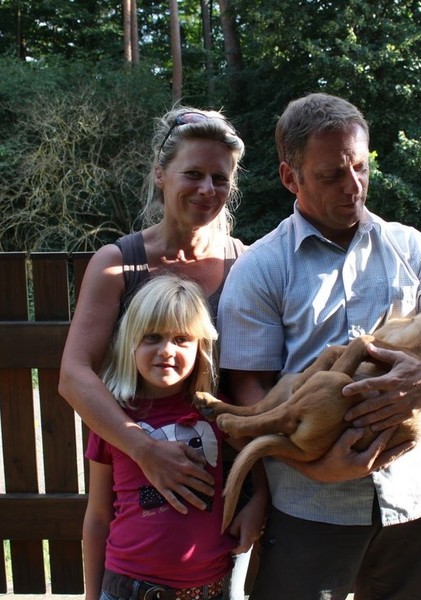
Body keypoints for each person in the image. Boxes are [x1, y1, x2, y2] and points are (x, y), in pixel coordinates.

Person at [218, 93, 421, 600]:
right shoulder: (261, 269)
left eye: (361, 167)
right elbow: (249, 393)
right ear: (290, 177)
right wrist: (315, 467)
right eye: (330, 175)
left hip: (412, 498)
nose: (353, 186)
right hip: (311, 506)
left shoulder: (410, 248)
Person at [58, 106, 258, 595]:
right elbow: (74, 375)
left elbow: (258, 387)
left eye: (220, 178)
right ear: (160, 174)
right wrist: (144, 449)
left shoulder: (248, 265)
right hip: (135, 481)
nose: (206, 189)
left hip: (225, 500)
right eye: (193, 173)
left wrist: (260, 494)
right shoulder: (117, 264)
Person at [83, 274, 267, 600]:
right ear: (130, 342)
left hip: (210, 589)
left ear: (201, 347)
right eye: (152, 337)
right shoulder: (112, 419)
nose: (166, 351)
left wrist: (259, 501)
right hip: (127, 590)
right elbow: (98, 516)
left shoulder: (214, 410)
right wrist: (91, 595)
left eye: (182, 339)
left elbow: (259, 452)